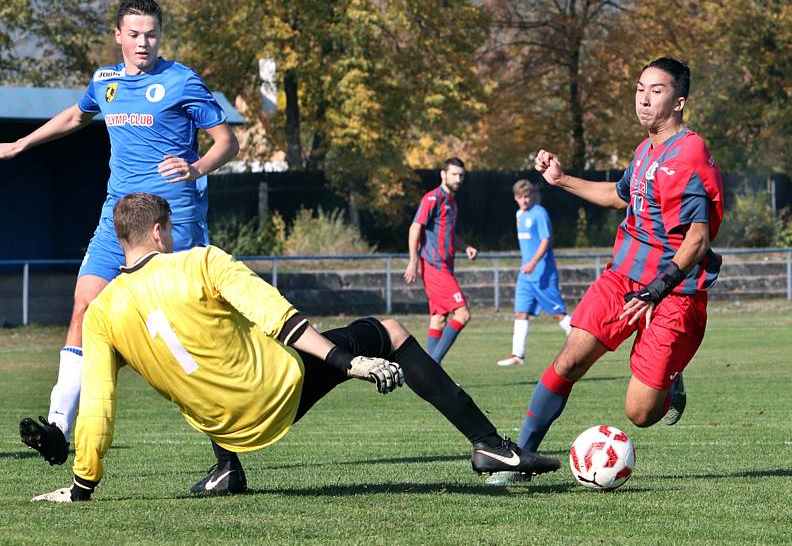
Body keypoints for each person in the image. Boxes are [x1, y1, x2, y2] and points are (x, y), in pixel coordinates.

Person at [30, 193, 561, 502]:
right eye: (169, 228)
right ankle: (489, 444)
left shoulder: (100, 315)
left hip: (224, 424)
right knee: (390, 330)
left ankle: (226, 468)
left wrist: (81, 486)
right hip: (277, 393)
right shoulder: (201, 260)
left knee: (206, 352)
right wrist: (345, 360)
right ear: (158, 231)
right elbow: (278, 317)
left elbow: (98, 405)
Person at [1, 0, 239, 465]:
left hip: (171, 222)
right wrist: (19, 145)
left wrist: (197, 167)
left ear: (160, 35)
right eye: (133, 34)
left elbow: (228, 141)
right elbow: (75, 116)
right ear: (118, 36)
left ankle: (228, 457)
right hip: (118, 218)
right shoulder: (105, 82)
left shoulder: (181, 80)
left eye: (150, 33)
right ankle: (57, 428)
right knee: (84, 306)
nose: (142, 42)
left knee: (184, 334)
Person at [488, 57, 723, 484]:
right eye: (639, 88)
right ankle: (519, 460)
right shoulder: (643, 150)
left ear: (679, 102)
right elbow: (619, 197)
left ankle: (671, 383)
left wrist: (656, 289)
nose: (644, 98)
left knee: (639, 413)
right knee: (568, 360)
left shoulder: (690, 153)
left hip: (673, 294)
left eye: (656, 90)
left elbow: (697, 240)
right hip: (622, 279)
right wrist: (561, 180)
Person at [404, 158, 477, 365]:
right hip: (433, 266)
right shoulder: (432, 199)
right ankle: (431, 368)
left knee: (439, 319)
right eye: (454, 174)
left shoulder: (452, 201)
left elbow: (448, 234)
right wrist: (413, 261)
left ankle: (429, 371)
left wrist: (466, 247)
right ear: (443, 175)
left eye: (461, 175)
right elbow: (414, 228)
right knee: (462, 314)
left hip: (445, 266)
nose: (458, 179)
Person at [497, 179, 572, 367]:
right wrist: (527, 265)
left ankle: (581, 338)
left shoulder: (539, 213)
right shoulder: (518, 215)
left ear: (532, 196)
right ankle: (517, 355)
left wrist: (532, 262)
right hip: (526, 275)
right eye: (520, 197)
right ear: (515, 198)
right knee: (521, 312)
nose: (524, 200)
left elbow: (546, 240)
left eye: (527, 196)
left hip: (542, 273)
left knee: (558, 314)